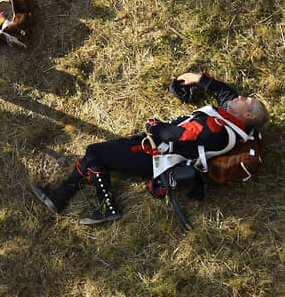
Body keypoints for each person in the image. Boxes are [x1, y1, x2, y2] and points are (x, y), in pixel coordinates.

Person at [30, 72, 269, 225]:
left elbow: (178, 137)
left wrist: (154, 126)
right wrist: (199, 79)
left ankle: (108, 207)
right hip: (154, 149)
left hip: (154, 156)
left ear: (247, 114)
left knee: (96, 153)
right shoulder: (230, 119)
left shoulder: (217, 129)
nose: (239, 97)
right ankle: (59, 198)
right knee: (93, 158)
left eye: (245, 100)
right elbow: (227, 94)